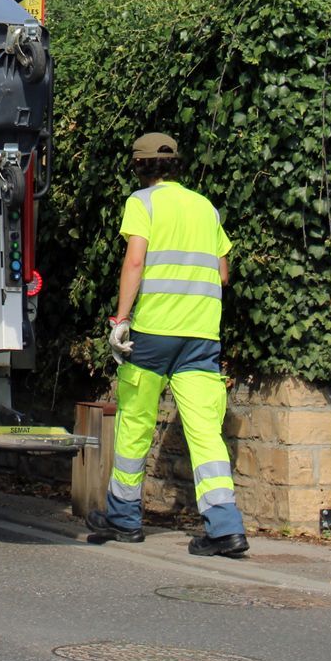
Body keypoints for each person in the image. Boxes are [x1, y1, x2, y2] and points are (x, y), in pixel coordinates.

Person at [86, 132, 250, 558]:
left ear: (140, 166)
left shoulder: (142, 203)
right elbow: (224, 274)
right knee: (204, 430)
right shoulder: (206, 208)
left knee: (135, 422)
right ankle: (225, 528)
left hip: (155, 332)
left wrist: (121, 320)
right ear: (177, 165)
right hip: (201, 335)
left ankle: (124, 518)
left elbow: (135, 260)